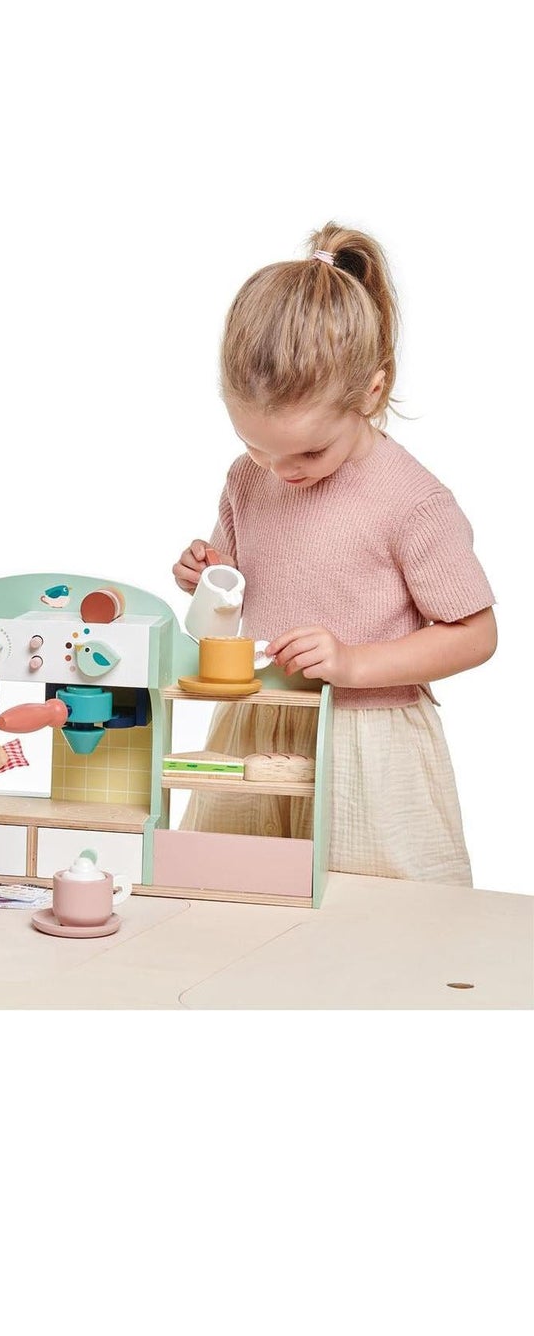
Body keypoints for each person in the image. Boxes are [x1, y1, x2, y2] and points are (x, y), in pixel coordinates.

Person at [171, 224, 496, 885]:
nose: (281, 470)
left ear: (371, 393)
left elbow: (476, 633)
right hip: (259, 723)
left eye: (309, 452)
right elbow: (240, 591)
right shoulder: (249, 478)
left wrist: (352, 662)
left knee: (377, 913)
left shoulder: (412, 500)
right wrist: (209, 578)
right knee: (231, 893)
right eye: (257, 446)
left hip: (365, 741)